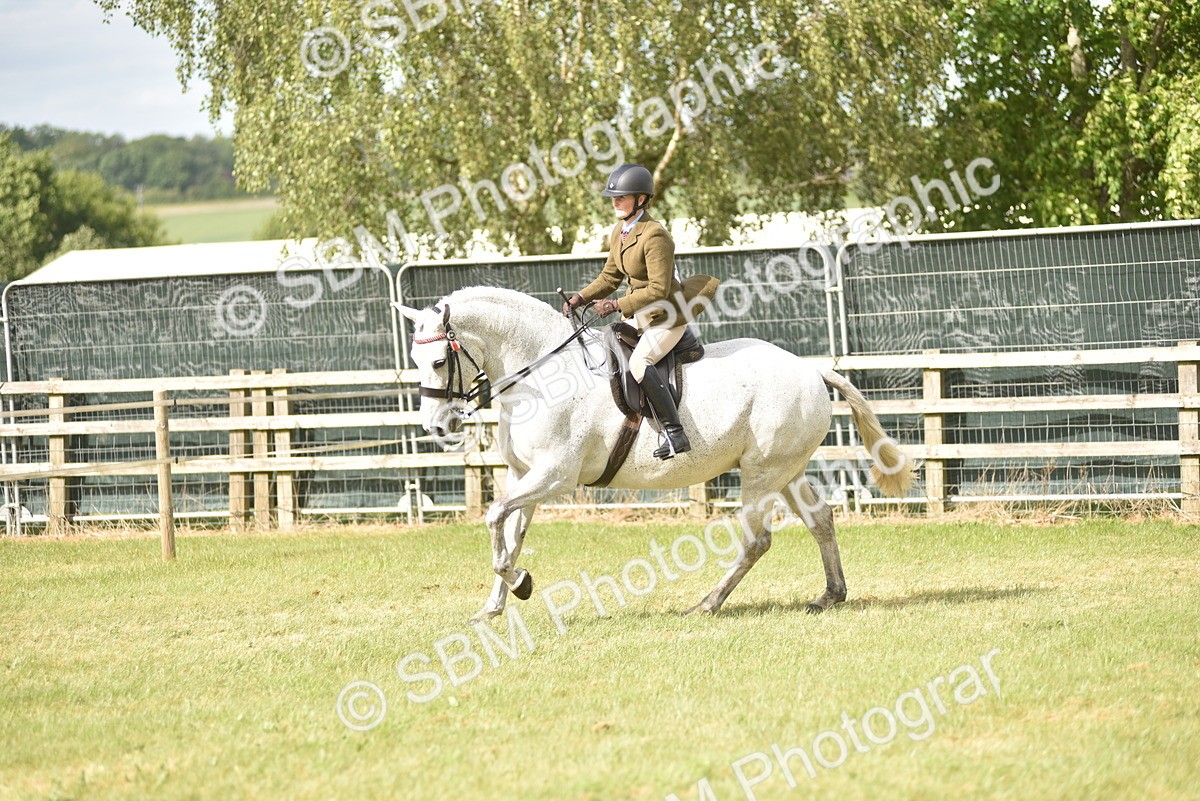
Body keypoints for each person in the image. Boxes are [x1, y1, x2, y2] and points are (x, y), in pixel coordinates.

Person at [562, 164, 717, 459]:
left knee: (638, 364)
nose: (614, 202)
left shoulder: (655, 235)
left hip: (666, 316)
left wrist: (616, 304)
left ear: (641, 200)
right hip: (638, 316)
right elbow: (610, 277)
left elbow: (658, 289)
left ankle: (675, 433)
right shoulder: (620, 231)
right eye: (613, 197)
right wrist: (580, 297)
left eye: (621, 197)